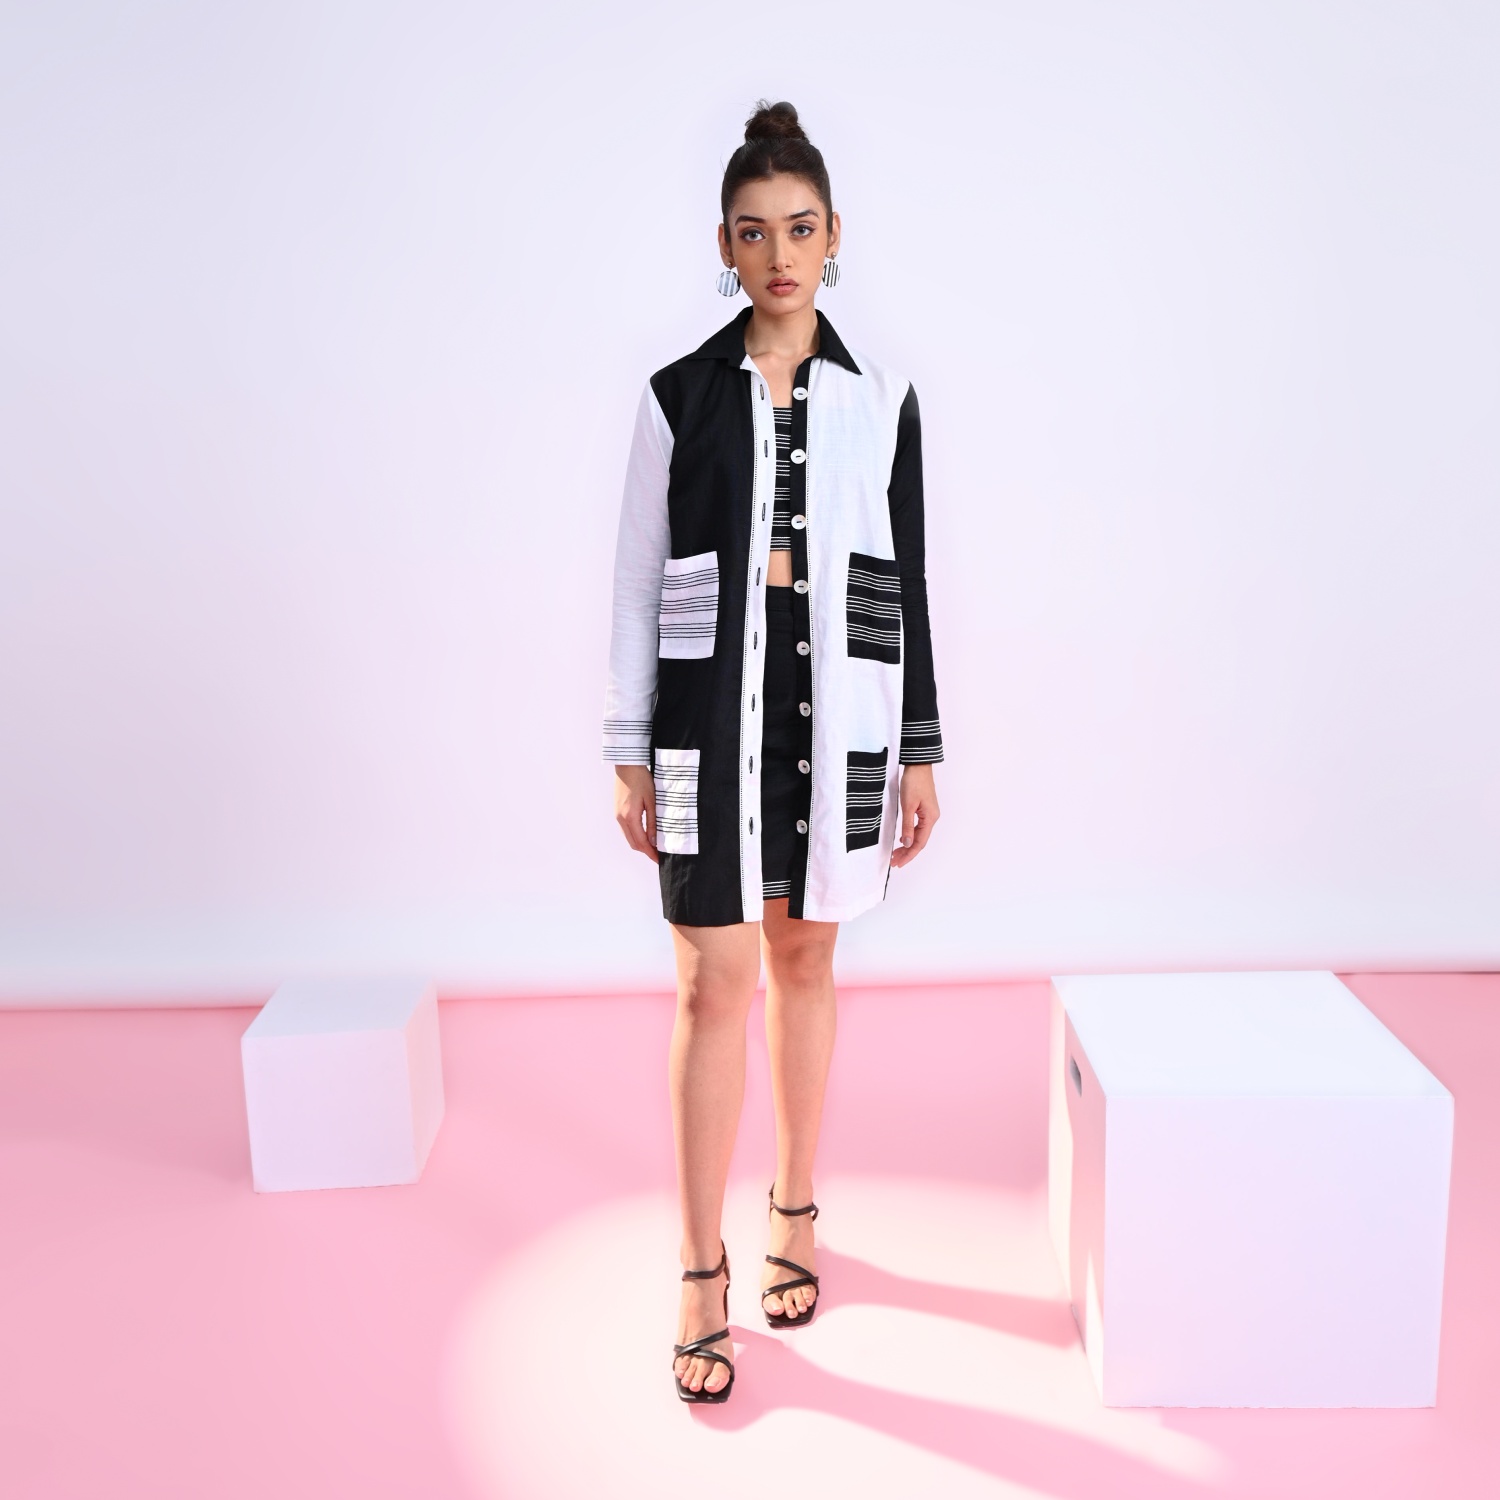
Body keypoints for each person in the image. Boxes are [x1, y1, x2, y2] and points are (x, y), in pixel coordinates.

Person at [601, 99, 944, 1403]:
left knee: (806, 960)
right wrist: (629, 746)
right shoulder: (677, 398)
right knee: (710, 985)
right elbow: (641, 580)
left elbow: (905, 581)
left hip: (839, 716)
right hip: (707, 720)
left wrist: (917, 746)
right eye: (755, 233)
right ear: (726, 247)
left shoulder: (883, 399)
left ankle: (795, 1210)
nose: (780, 254)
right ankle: (701, 1272)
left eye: (801, 229)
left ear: (834, 235)